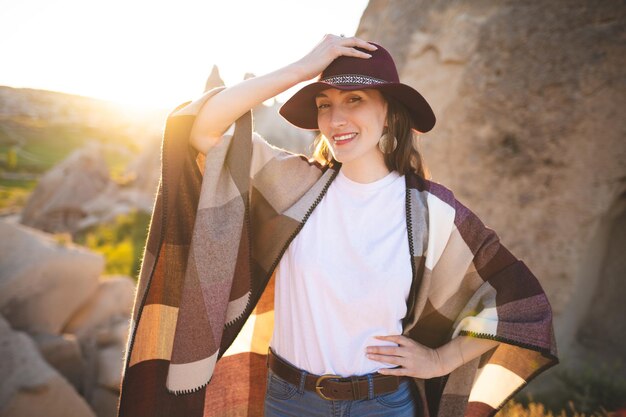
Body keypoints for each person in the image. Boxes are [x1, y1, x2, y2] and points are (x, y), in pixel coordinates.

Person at [117, 35, 558, 417]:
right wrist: (301, 69)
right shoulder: (293, 184)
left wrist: (441, 359)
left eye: (355, 100)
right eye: (325, 104)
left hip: (384, 404)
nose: (335, 119)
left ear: (391, 112)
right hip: (288, 400)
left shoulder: (431, 211)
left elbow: (521, 304)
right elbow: (197, 128)